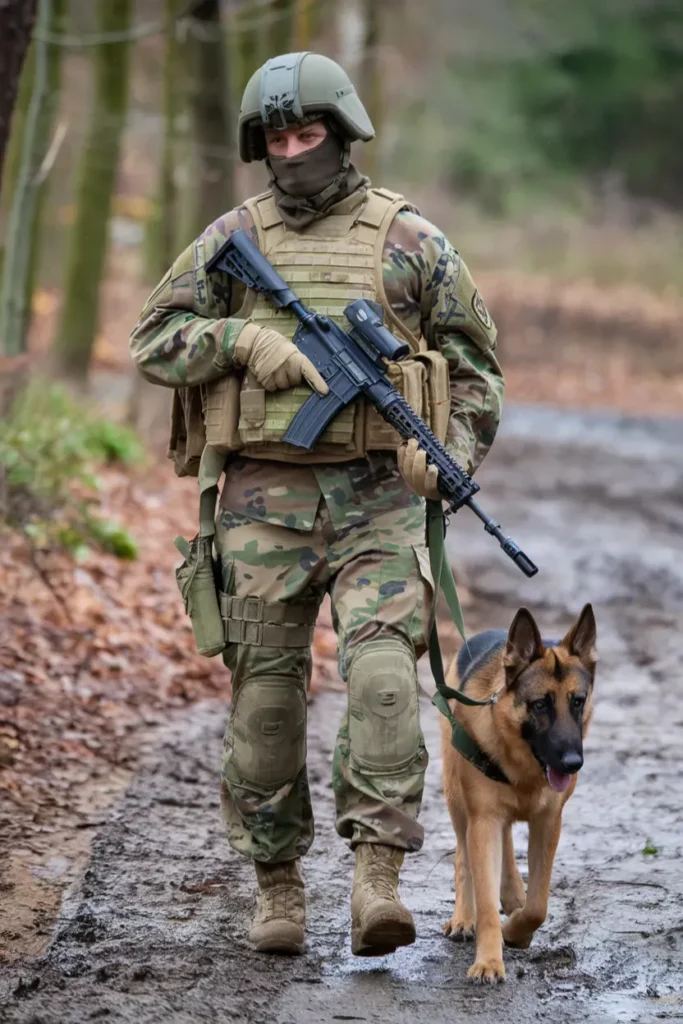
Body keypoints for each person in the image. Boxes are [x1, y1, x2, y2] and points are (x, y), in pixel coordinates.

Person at [130, 51, 503, 958]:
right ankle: (278, 888)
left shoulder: (411, 240)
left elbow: (477, 370)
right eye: (277, 138)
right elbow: (154, 338)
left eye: (307, 134)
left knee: (381, 687)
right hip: (260, 504)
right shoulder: (230, 238)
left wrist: (444, 454)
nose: (293, 152)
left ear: (342, 133)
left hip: (379, 504)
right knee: (264, 708)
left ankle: (376, 879)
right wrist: (239, 339)